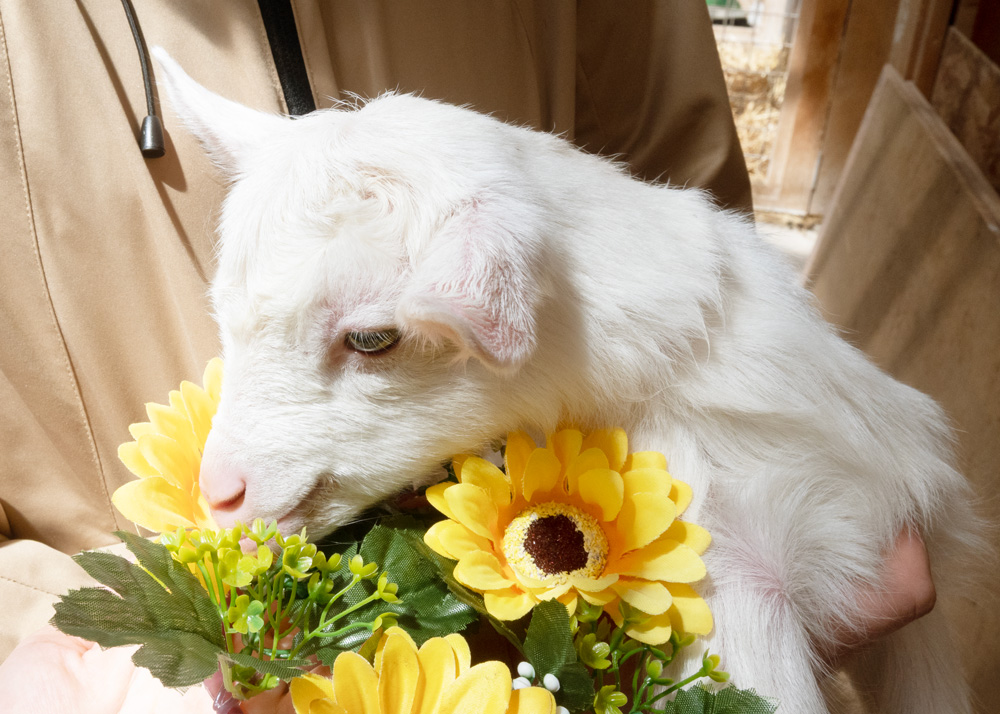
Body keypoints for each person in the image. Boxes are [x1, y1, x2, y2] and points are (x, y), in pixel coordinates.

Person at [0, 0, 932, 710]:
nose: (221, 481)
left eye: (372, 336)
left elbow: (676, 193)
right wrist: (83, 662)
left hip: (593, 546)